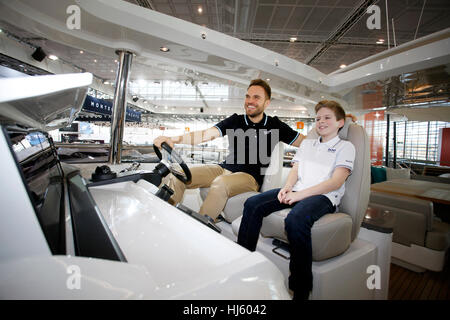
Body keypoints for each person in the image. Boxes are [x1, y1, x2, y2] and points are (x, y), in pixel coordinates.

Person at [237, 100, 355, 300]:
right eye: (318, 118)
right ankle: (243, 260)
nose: (321, 122)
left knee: (295, 220)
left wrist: (299, 195)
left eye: (327, 118)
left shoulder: (346, 147)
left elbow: (335, 182)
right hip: (297, 190)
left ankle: (300, 290)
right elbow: (295, 170)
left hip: (323, 197)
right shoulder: (308, 144)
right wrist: (287, 187)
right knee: (252, 203)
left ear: (340, 122)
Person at [153, 79, 305, 220]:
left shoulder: (275, 125)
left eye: (256, 97)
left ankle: (199, 228)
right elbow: (205, 135)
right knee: (177, 175)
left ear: (267, 103)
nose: (250, 101)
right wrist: (173, 139)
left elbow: (306, 142)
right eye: (248, 96)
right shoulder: (235, 120)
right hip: (224, 168)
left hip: (250, 177)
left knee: (221, 184)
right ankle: (165, 219)